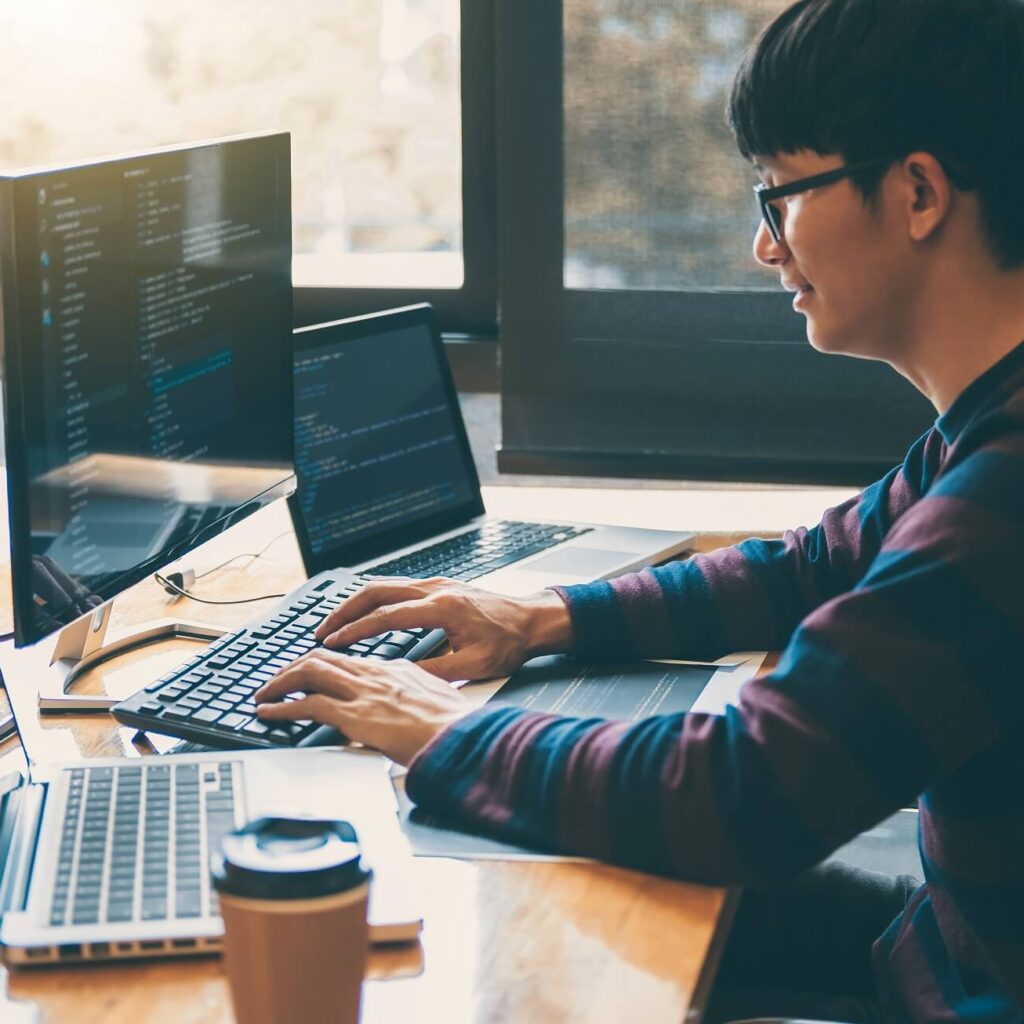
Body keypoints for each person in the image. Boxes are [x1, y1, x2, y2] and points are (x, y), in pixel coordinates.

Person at [254, 0, 1024, 1019]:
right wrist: (544, 618)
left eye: (780, 195)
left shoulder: (1003, 486)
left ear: (918, 191)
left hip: (971, 991)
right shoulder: (977, 435)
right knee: (566, 902)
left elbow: (743, 794)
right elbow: (809, 567)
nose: (763, 245)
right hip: (945, 945)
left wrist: (445, 734)